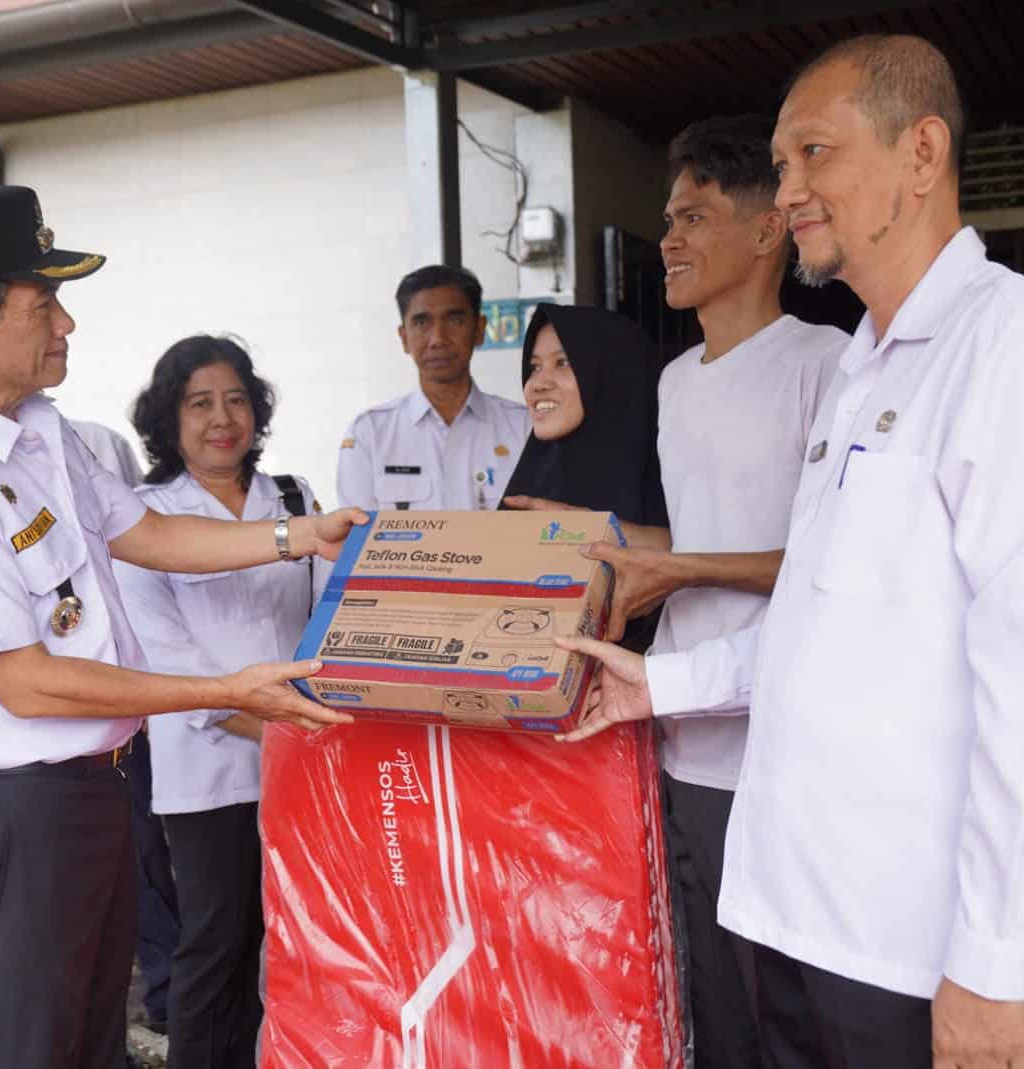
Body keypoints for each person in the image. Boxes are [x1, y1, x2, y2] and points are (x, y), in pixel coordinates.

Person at [559, 35, 1024, 1069]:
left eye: (814, 153)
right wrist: (656, 684)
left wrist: (994, 966)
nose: (790, 190)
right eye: (782, 163)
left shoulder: (1007, 342)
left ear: (921, 152)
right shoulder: (862, 369)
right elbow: (823, 624)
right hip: (807, 920)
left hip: (924, 947)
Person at [0, 185, 360, 1069]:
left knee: (89, 1044)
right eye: (42, 305)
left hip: (90, 789)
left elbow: (145, 532)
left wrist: (295, 535)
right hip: (16, 808)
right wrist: (226, 690)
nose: (67, 324)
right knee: (25, 1048)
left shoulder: (37, 430)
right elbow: (26, 681)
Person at [509, 115, 850, 1067]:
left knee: (794, 1013)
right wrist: (599, 541)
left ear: (768, 230)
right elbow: (697, 541)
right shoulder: (675, 383)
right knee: (712, 1005)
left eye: (694, 217)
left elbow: (839, 561)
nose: (668, 240)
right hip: (679, 734)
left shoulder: (826, 364)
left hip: (779, 741)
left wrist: (680, 567)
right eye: (668, 220)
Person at [114, 334, 330, 1069]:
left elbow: (328, 618)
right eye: (199, 403)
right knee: (218, 941)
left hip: (305, 761)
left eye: (236, 399)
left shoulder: (294, 501)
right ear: (168, 418)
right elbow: (167, 657)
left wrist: (310, 730)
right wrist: (281, 727)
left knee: (299, 939)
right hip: (207, 769)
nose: (221, 418)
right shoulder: (144, 517)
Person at [68, 415, 183, 1037]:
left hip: (137, 707)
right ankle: (155, 991)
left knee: (151, 852)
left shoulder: (92, 444)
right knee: (130, 857)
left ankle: (165, 987)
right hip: (64, 715)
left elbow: (144, 538)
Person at [501, 303, 667, 648]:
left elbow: (706, 566)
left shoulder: (675, 478)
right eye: (534, 367)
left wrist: (594, 530)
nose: (537, 384)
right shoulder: (534, 483)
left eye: (563, 362)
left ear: (612, 372)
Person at [337, 265, 529, 511]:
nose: (438, 338)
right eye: (421, 322)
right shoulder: (370, 434)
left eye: (455, 320)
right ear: (404, 337)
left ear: (479, 330)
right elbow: (359, 532)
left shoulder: (523, 428)